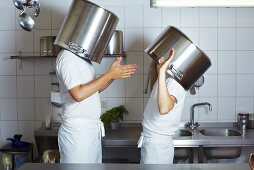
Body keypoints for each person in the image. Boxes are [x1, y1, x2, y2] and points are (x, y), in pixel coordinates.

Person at [56, 49, 137, 163]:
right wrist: (109, 74)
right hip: (77, 133)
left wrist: (112, 76)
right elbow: (78, 94)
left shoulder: (83, 58)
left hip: (90, 131)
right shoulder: (67, 57)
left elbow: (95, 89)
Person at [138, 49, 186, 164]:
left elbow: (164, 108)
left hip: (158, 146)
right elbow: (154, 94)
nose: (160, 60)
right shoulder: (165, 80)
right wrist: (157, 68)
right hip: (152, 142)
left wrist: (162, 70)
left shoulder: (176, 83)